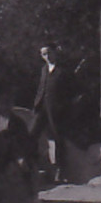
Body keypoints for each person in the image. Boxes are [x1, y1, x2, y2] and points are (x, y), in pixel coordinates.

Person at [32, 42, 70, 185]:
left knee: (59, 139)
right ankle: (33, 165)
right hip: (41, 108)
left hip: (56, 110)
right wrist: (36, 103)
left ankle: (60, 171)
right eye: (44, 54)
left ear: (55, 52)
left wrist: (64, 106)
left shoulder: (62, 71)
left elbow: (70, 92)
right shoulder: (43, 69)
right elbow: (41, 88)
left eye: (49, 53)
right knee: (32, 134)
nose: (47, 56)